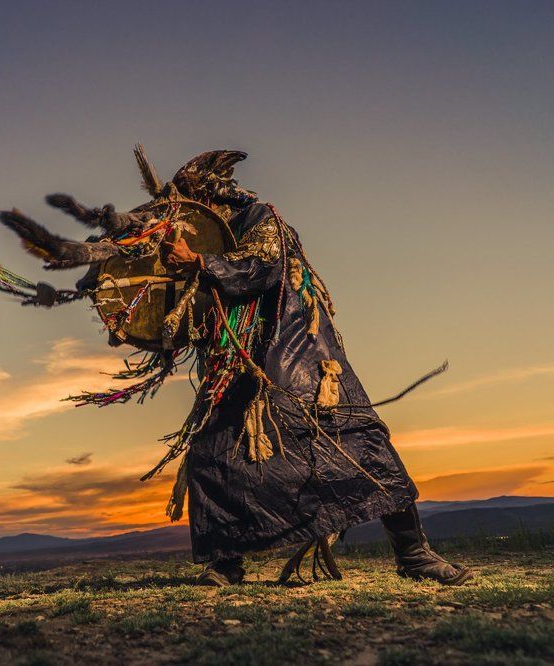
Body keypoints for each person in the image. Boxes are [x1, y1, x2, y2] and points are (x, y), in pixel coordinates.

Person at [158, 151, 473, 586]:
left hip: (299, 358)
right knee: (214, 454)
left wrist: (199, 262)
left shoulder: (261, 220)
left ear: (211, 196)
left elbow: (262, 269)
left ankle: (414, 554)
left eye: (192, 201)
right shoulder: (215, 240)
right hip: (240, 367)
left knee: (357, 443)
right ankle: (226, 562)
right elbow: (201, 309)